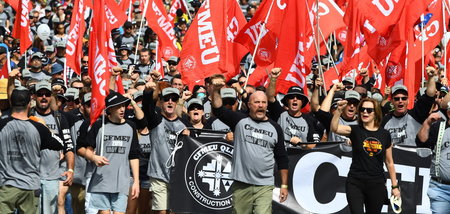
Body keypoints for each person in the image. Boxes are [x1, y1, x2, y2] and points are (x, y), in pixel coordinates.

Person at [210, 76, 289, 214]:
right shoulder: (239, 120)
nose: (260, 105)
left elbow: (282, 158)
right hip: (241, 184)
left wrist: (284, 185)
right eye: (257, 102)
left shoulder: (275, 128)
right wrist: (216, 91)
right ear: (249, 105)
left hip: (264, 185)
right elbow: (218, 109)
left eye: (263, 102)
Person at [331, 98, 401, 214]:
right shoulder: (354, 130)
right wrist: (338, 110)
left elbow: (389, 162)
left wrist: (394, 187)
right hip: (355, 182)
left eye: (369, 110)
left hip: (376, 184)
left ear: (376, 113)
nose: (365, 112)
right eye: (362, 109)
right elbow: (334, 128)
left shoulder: (385, 134)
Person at [0, 87, 64, 213]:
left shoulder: (2, 125)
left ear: (12, 103)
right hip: (29, 186)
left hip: (6, 186)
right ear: (29, 104)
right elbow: (60, 143)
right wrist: (45, 126)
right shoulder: (39, 128)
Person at [80, 91, 140, 214]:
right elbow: (82, 149)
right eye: (118, 106)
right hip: (101, 180)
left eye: (123, 105)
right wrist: (93, 157)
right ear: (110, 109)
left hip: (122, 180)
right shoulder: (98, 125)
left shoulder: (131, 126)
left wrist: (136, 182)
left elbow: (133, 156)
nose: (122, 109)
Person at [417, 110, 450, 213]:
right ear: (449, 113)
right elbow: (422, 143)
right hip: (441, 189)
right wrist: (427, 123)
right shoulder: (439, 127)